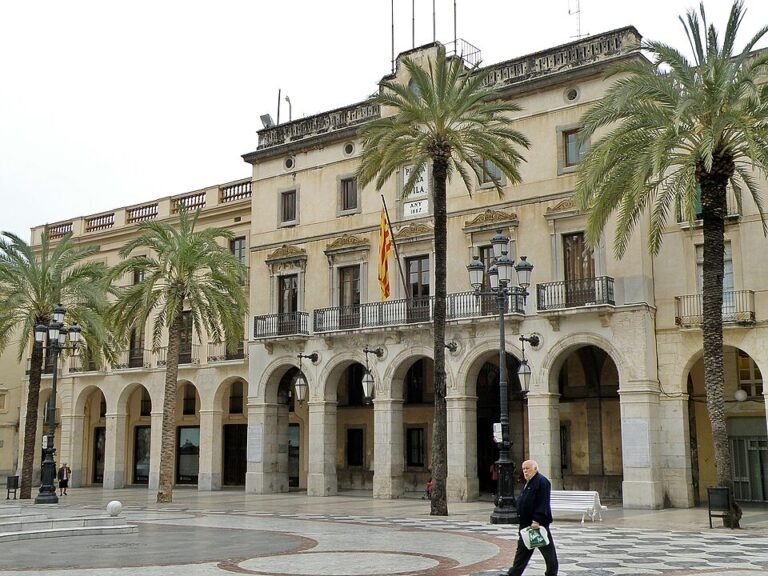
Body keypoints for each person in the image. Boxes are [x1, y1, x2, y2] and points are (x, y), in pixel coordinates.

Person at [507, 460, 558, 576]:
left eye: (528, 468)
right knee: (522, 553)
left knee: (548, 553)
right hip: (525, 525)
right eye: (523, 469)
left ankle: (551, 573)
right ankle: (513, 574)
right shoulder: (529, 482)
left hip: (536, 525)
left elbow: (543, 502)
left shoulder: (541, 481)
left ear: (535, 469)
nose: (525, 471)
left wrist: (537, 520)